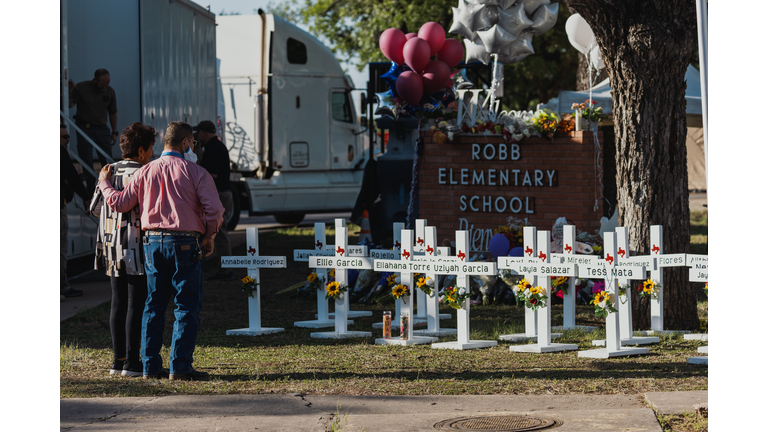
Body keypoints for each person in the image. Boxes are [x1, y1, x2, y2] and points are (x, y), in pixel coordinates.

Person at [98, 121, 223, 381]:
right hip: (186, 242)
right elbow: (215, 210)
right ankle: (180, 367)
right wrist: (209, 235)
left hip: (152, 242)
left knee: (153, 304)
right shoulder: (196, 172)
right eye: (192, 143)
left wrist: (104, 183)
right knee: (186, 305)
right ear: (186, 142)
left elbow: (120, 203)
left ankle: (150, 366)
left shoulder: (145, 171)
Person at [89, 122, 157, 377]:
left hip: (111, 245)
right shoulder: (146, 172)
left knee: (117, 303)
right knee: (135, 304)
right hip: (137, 246)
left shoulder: (108, 170)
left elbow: (95, 208)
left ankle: (117, 361)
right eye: (151, 149)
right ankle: (132, 361)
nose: (152, 153)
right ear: (141, 151)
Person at [194, 120, 235, 281]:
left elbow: (211, 175)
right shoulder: (219, 146)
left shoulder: (212, 149)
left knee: (220, 231)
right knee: (217, 231)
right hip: (224, 192)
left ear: (203, 132)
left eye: (198, 133)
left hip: (219, 194)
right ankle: (223, 267)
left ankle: (226, 270)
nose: (198, 137)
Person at [69, 68, 118, 194]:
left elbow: (113, 112)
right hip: (85, 128)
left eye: (106, 85)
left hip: (102, 129)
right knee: (87, 162)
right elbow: (69, 104)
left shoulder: (109, 91)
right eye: (102, 85)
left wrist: (114, 132)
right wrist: (69, 91)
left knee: (107, 162)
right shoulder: (82, 88)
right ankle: (91, 193)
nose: (104, 88)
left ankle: (109, 190)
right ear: (95, 80)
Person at [61, 125, 90, 300]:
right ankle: (62, 286)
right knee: (60, 248)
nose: (68, 139)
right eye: (64, 136)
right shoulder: (60, 152)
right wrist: (86, 198)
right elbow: (71, 177)